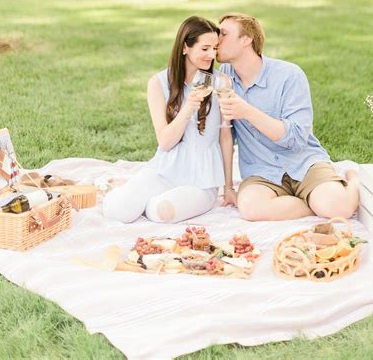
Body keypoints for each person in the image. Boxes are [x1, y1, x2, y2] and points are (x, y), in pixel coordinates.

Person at [216, 12, 359, 222]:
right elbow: (224, 134)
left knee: (339, 208)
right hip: (261, 171)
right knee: (249, 209)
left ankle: (352, 180)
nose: (216, 39)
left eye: (223, 34)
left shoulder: (289, 75)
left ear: (246, 39)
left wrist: (247, 111)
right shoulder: (224, 78)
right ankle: (313, 203)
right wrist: (228, 187)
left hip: (303, 161)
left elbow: (297, 137)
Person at [103, 16, 235, 224]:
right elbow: (165, 142)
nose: (212, 55)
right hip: (165, 170)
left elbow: (225, 138)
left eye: (215, 48)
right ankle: (126, 193)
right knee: (117, 211)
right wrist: (189, 106)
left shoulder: (221, 82)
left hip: (202, 180)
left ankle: (142, 199)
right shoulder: (158, 83)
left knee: (162, 211)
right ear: (185, 48)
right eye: (205, 48)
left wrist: (228, 188)